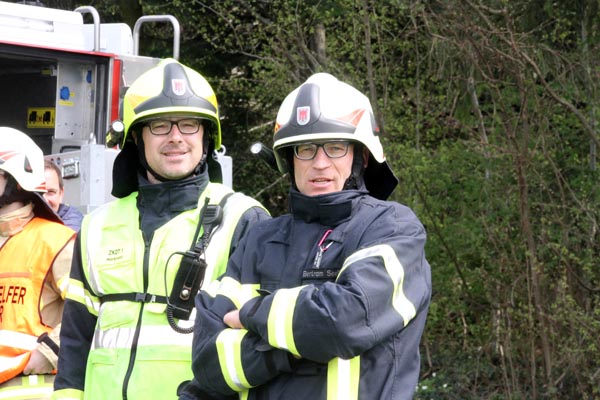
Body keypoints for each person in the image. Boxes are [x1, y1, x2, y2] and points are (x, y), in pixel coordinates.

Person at [190, 73, 432, 400]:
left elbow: (342, 322)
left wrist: (252, 315)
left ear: (360, 157)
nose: (319, 163)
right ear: (289, 159)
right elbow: (207, 362)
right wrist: (289, 348)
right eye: (306, 149)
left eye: (334, 148)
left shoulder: (392, 228)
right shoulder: (259, 240)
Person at [52, 58, 270, 400]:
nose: (175, 137)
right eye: (160, 126)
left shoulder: (243, 218)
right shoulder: (96, 226)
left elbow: (256, 343)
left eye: (189, 125)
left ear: (207, 135)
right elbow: (76, 339)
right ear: (136, 136)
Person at [0, 128, 76, 399]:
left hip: (32, 389)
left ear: (17, 181)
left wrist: (46, 353)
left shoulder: (55, 239)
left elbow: (87, 311)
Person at [43, 159, 84, 231]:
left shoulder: (72, 224)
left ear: (61, 194)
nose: (44, 200)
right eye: (38, 193)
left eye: (51, 192)